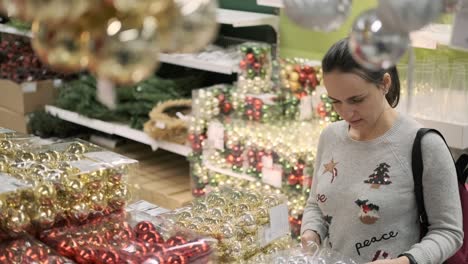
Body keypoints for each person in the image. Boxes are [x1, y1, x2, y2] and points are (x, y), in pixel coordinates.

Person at [300, 38, 463, 264]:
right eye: (336, 102)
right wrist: (312, 234)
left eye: (356, 99)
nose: (346, 113)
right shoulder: (331, 136)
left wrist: (405, 261)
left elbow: (449, 232)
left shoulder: (425, 145)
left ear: (384, 83)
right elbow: (316, 205)